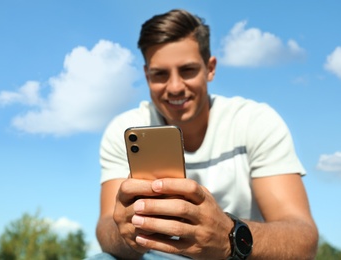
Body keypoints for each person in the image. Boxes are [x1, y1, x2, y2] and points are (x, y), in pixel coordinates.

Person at [91, 9, 318, 259]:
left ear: (210, 68)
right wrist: (125, 232)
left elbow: (302, 237)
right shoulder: (123, 130)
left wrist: (228, 236)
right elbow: (106, 228)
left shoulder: (255, 122)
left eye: (187, 70)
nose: (175, 87)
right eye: (160, 74)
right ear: (147, 76)